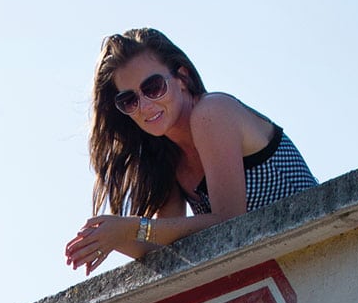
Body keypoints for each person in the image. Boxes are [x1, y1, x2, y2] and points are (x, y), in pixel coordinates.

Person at [65, 26, 316, 277]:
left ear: (182, 79)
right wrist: (111, 237)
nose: (145, 105)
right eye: (129, 100)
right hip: (285, 272)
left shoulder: (212, 112)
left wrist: (133, 227)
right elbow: (162, 246)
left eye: (152, 87)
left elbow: (231, 221)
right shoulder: (169, 157)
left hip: (322, 251)